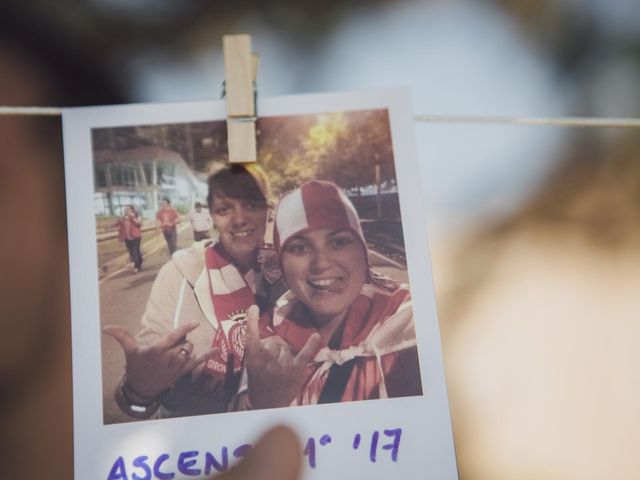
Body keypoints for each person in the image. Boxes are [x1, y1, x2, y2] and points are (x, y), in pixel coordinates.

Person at [104, 164, 285, 419]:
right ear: (212, 215)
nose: (239, 218)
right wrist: (138, 392)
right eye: (224, 209)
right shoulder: (179, 272)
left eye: (251, 204)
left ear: (269, 208)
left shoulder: (291, 274)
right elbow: (140, 397)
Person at [244, 180, 422, 409]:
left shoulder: (417, 328)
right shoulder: (265, 347)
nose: (321, 263)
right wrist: (267, 405)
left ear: (363, 253)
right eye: (300, 247)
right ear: (281, 265)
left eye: (339, 242)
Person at [115, 205, 143, 272]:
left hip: (135, 237)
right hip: (127, 238)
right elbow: (117, 223)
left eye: (127, 209)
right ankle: (138, 263)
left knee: (135, 252)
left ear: (132, 210)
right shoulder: (123, 218)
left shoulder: (136, 216)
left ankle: (136, 267)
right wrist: (109, 227)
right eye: (125, 209)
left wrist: (132, 217)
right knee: (132, 252)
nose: (126, 210)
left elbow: (138, 224)